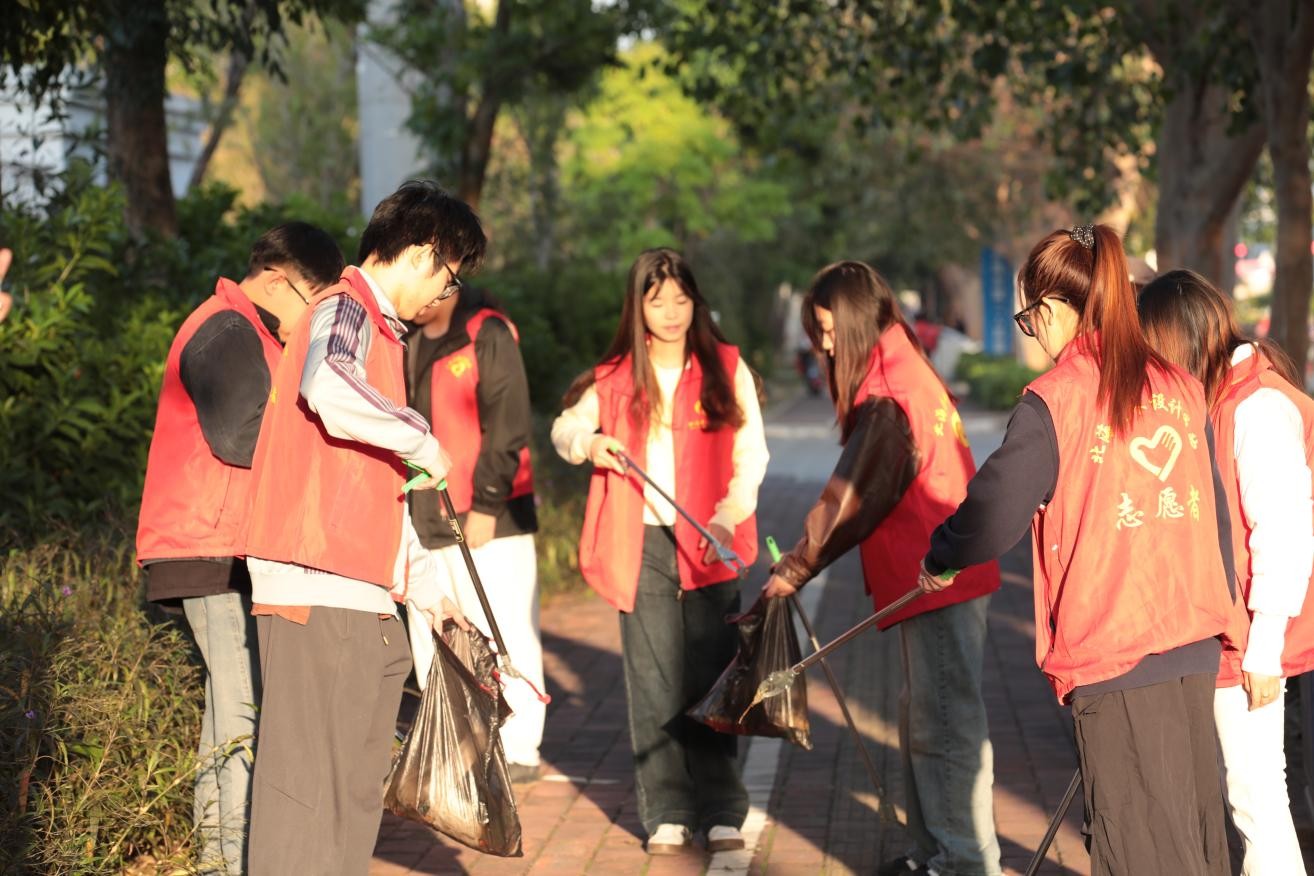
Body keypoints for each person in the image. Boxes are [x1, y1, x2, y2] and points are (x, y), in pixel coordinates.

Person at [919, 225, 1236, 875]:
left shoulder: (1058, 398)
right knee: (1194, 834)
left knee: (1137, 847)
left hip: (1116, 648)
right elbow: (1216, 518)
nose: (1033, 333)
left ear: (1056, 306)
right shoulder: (1179, 384)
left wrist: (942, 556)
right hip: (1194, 640)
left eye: (1031, 317)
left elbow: (993, 513)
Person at [241, 181, 480, 874]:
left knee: (347, 797)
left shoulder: (382, 334)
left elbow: (377, 488)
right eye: (448, 277)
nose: (443, 295)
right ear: (423, 252)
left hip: (359, 589)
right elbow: (328, 384)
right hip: (319, 584)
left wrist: (429, 592)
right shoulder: (345, 307)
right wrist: (422, 435)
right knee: (306, 799)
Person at [762, 261, 1003, 876]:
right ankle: (935, 853)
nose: (825, 345)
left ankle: (964, 861)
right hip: (939, 571)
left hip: (938, 577)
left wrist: (796, 567)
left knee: (945, 723)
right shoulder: (902, 362)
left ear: (853, 320)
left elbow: (852, 496)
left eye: (829, 330)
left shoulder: (891, 390)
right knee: (928, 715)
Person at [135, 223, 344, 874]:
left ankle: (217, 861)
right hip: (210, 548)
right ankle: (233, 863)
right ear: (277, 281)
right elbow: (242, 437)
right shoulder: (225, 329)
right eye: (312, 302)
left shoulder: (248, 328)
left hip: (222, 544)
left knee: (228, 718)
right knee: (244, 716)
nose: (311, 320)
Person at [550, 248, 768, 856]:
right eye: (656, 301)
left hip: (711, 538)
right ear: (637, 307)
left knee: (714, 677)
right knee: (653, 679)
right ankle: (667, 812)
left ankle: (722, 809)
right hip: (639, 540)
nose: (671, 312)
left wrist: (727, 517)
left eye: (680, 298)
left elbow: (752, 454)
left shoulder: (726, 367)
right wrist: (589, 443)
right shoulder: (615, 376)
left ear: (695, 301)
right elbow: (563, 428)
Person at [1139, 270, 1313, 875]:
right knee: (1250, 795)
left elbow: (1282, 533)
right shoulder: (1227, 396)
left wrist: (1264, 651)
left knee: (1256, 798)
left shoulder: (1258, 407)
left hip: (1253, 634)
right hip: (1236, 628)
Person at [405, 284, 546, 782]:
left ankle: (520, 746)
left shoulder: (487, 332)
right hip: (424, 515)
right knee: (435, 635)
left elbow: (509, 424)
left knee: (504, 627)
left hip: (490, 517)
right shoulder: (405, 339)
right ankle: (454, 743)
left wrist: (487, 503)